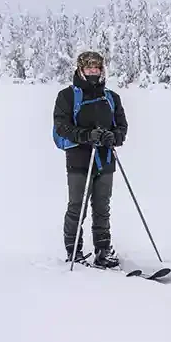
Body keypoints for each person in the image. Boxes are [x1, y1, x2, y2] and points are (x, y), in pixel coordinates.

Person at [53, 51, 127, 267]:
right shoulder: (67, 96)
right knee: (78, 206)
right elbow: (62, 126)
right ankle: (74, 251)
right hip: (78, 160)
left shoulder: (112, 97)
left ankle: (103, 250)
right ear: (80, 70)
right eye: (89, 67)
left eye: (97, 67)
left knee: (102, 207)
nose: (94, 71)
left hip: (104, 159)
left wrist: (114, 136)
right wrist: (86, 135)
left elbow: (122, 126)